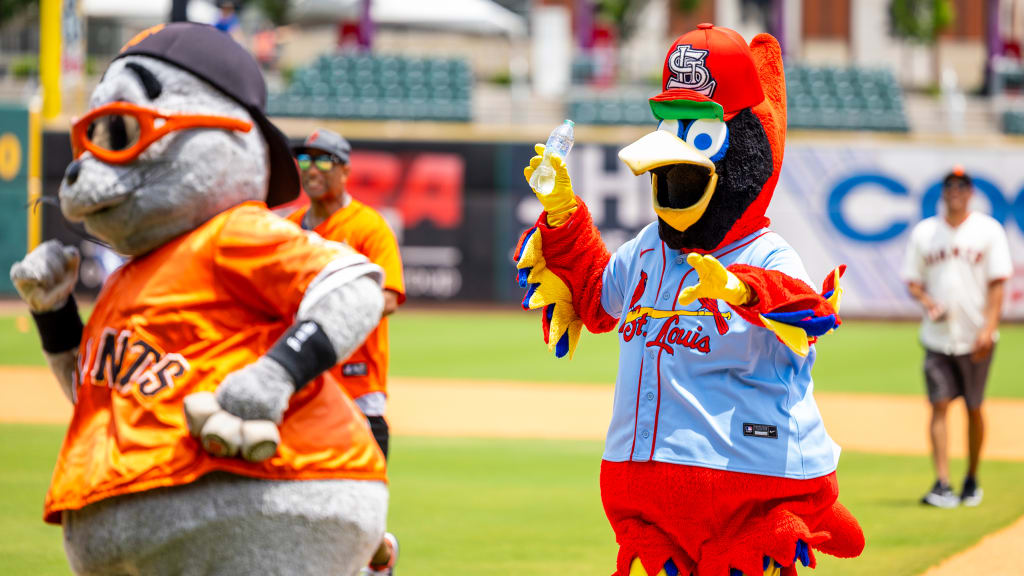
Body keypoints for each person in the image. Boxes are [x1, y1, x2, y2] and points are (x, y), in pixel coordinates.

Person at [288, 129, 405, 575]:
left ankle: (381, 554)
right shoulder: (288, 230)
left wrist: (326, 307)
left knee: (361, 515)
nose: (311, 169)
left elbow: (389, 296)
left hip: (358, 388)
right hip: (302, 388)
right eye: (305, 159)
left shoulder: (367, 227)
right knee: (298, 505)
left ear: (344, 169)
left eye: (323, 160)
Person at [902, 166, 1013, 508]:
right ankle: (942, 483)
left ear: (970, 193)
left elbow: (998, 283)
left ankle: (972, 478)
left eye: (961, 186)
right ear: (943, 192)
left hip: (975, 336)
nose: (955, 191)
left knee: (974, 407)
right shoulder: (925, 233)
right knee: (938, 405)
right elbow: (913, 281)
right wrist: (927, 302)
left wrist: (988, 327)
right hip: (937, 336)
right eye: (949, 185)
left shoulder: (988, 230)